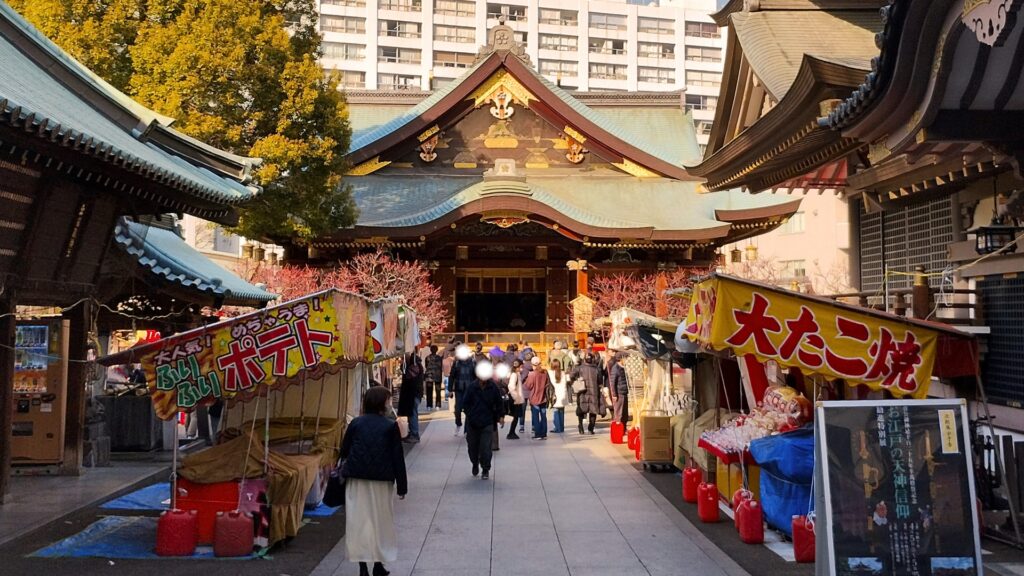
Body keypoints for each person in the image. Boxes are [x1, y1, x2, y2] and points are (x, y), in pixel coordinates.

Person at [340, 386, 407, 576]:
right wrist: (402, 486)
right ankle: (378, 564)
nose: (389, 404)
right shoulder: (389, 426)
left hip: (356, 479)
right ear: (381, 403)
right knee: (381, 522)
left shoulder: (356, 424)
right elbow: (397, 457)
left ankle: (362, 567)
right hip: (381, 480)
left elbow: (344, 450)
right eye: (387, 401)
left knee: (358, 522)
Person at [462, 364, 505, 479]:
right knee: (472, 447)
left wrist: (501, 416)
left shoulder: (493, 387)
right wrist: (470, 414)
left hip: (487, 421)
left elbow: (499, 402)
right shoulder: (472, 387)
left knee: (486, 447)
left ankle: (485, 468)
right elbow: (465, 403)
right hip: (473, 422)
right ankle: (475, 463)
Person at [570, 352, 607, 435]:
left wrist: (576, 379)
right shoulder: (596, 369)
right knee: (593, 410)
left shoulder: (579, 368)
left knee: (581, 409)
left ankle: (581, 426)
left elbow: (571, 375)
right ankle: (591, 428)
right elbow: (600, 381)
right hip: (594, 391)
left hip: (582, 391)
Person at [449, 345, 476, 436]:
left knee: (468, 410)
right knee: (457, 409)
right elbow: (451, 376)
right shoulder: (456, 363)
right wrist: (450, 389)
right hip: (459, 389)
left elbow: (476, 376)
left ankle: (466, 429)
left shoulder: (472, 362)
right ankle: (458, 423)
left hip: (469, 390)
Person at [397, 352, 424, 443]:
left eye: (402, 358)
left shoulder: (415, 366)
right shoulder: (415, 364)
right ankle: (412, 432)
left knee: (412, 413)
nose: (400, 360)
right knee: (411, 413)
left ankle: (414, 434)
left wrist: (403, 366)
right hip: (413, 393)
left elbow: (408, 375)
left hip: (413, 394)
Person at [523, 356, 550, 440]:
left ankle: (537, 434)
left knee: (535, 416)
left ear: (532, 364)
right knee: (543, 416)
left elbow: (528, 386)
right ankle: (544, 433)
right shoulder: (545, 372)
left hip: (534, 398)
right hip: (543, 397)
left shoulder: (532, 374)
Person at [609, 353, 630, 433]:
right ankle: (618, 430)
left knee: (625, 413)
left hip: (624, 392)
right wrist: (614, 394)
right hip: (619, 393)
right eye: (625, 358)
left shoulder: (623, 368)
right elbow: (612, 382)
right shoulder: (615, 368)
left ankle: (624, 428)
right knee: (619, 413)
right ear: (621, 359)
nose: (626, 360)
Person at [548, 358, 570, 433]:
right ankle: (562, 427)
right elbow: (569, 380)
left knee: (556, 412)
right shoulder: (563, 373)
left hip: (556, 395)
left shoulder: (551, 373)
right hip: (563, 394)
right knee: (562, 411)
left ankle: (557, 428)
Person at [506, 359, 525, 440]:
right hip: (516, 399)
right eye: (521, 366)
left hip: (517, 398)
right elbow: (511, 387)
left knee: (516, 416)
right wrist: (516, 397)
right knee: (516, 416)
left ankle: (512, 432)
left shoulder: (516, 374)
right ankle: (511, 432)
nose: (522, 368)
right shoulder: (514, 375)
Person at [423, 345, 443, 410]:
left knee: (429, 391)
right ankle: (438, 405)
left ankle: (429, 405)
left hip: (429, 376)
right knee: (438, 391)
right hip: (437, 376)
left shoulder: (427, 358)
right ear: (436, 350)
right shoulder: (439, 358)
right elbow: (440, 366)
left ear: (430, 350)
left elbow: (426, 366)